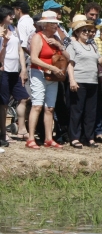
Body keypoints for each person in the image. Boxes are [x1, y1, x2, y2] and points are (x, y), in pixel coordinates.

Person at [26, 11, 70, 149]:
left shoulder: (56, 38)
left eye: (56, 23)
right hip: (39, 73)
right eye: (53, 23)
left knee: (50, 107)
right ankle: (31, 138)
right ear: (45, 25)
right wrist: (51, 67)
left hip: (52, 76)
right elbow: (34, 58)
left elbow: (68, 56)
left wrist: (59, 45)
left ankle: (48, 138)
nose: (56, 26)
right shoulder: (37, 37)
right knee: (37, 105)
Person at [65, 17, 102, 149]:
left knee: (91, 111)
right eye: (84, 30)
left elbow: (99, 62)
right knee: (77, 110)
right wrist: (72, 79)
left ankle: (89, 137)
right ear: (76, 32)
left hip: (93, 81)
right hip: (79, 81)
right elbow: (70, 64)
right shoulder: (73, 45)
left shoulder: (92, 45)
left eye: (88, 30)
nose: (87, 32)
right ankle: (75, 137)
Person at [0, 6, 28, 146]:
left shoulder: (14, 29)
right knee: (3, 104)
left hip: (14, 71)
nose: (12, 17)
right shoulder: (0, 31)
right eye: (9, 15)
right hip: (3, 70)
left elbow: (20, 51)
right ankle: (3, 133)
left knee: (23, 97)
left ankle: (21, 129)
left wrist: (23, 69)